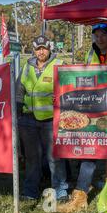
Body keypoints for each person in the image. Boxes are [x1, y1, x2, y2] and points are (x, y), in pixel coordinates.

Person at [58, 23, 107, 213]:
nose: (99, 38)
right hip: (96, 112)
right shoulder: (91, 53)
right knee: (89, 152)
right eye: (96, 35)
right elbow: (85, 78)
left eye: (103, 34)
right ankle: (80, 197)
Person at [16, 35, 68, 203]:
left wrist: (62, 99)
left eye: (44, 48)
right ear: (34, 50)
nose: (41, 51)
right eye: (38, 49)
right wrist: (17, 113)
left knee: (55, 158)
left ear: (49, 48)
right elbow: (19, 91)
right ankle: (30, 191)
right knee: (32, 159)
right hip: (28, 120)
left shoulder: (59, 65)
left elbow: (70, 88)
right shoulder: (26, 67)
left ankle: (60, 191)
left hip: (51, 120)